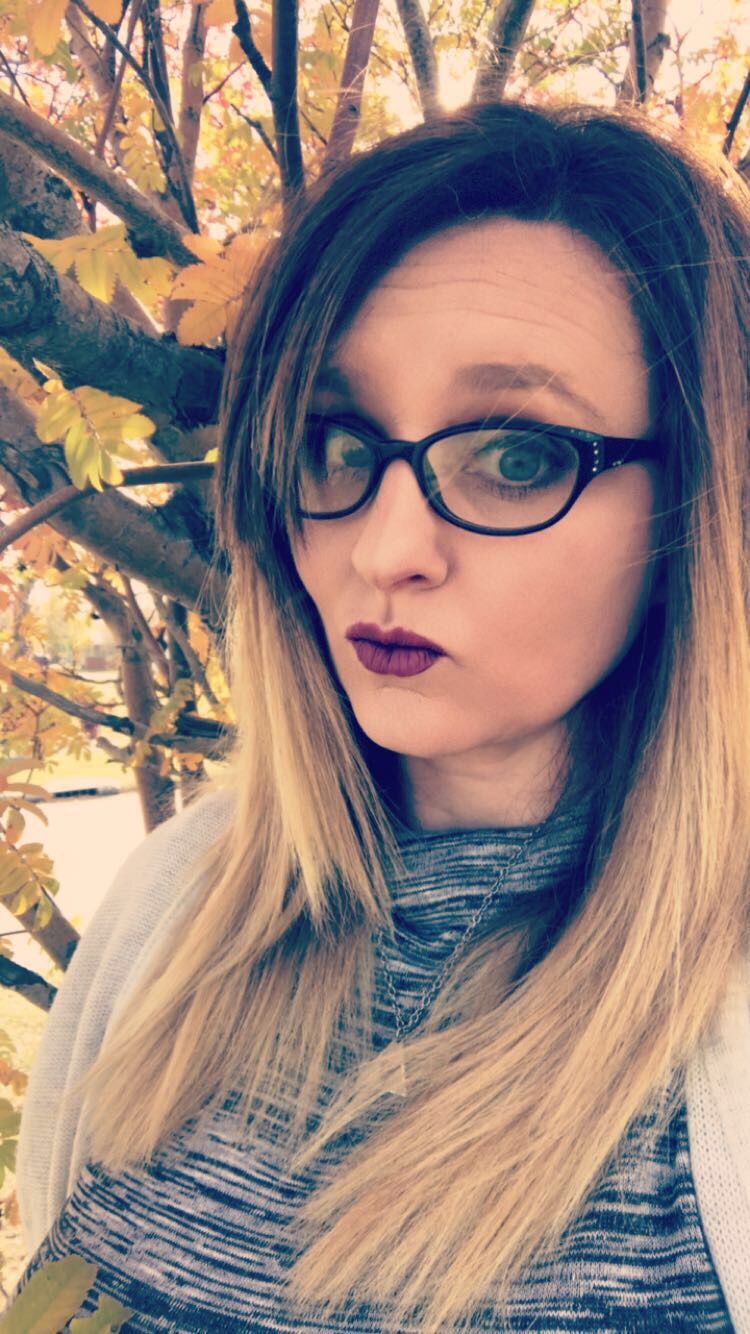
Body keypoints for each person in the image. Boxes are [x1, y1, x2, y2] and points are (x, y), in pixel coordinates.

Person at [11, 99, 750, 1332]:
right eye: (334, 442)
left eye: (515, 455)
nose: (383, 546)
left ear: (700, 507)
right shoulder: (176, 906)